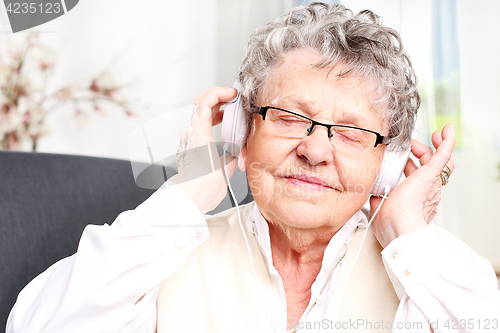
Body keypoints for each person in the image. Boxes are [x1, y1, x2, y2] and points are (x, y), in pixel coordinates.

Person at [7, 3, 500, 333]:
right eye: (289, 117)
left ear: (388, 164)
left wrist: (407, 231)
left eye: (352, 132)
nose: (315, 150)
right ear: (241, 133)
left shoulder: (427, 272)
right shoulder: (163, 256)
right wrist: (186, 192)